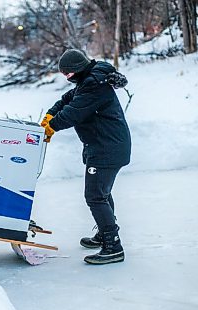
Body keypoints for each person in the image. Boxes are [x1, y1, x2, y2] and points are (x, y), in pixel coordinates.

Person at [41, 49, 131, 265]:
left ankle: (113, 246)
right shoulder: (90, 80)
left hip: (106, 148)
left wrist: (51, 127)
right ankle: (105, 234)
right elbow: (67, 99)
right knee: (102, 193)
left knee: (95, 196)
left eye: (68, 74)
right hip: (105, 146)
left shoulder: (93, 85)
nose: (67, 78)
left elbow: (74, 112)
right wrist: (50, 114)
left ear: (78, 69)